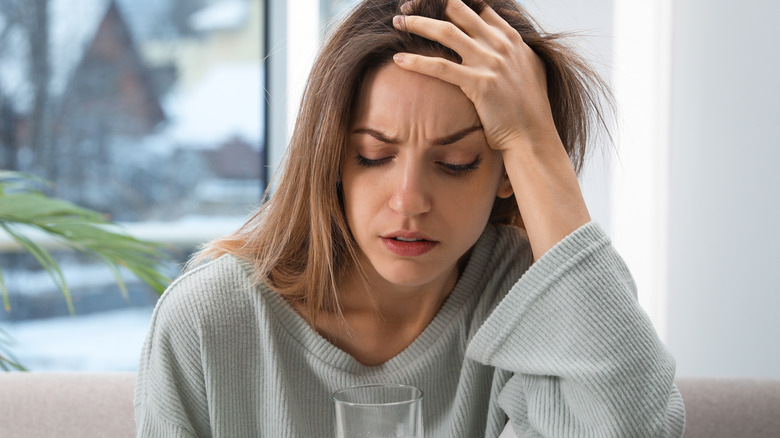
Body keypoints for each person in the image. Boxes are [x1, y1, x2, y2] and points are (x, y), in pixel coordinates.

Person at [134, 0, 686, 436]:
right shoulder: (209, 322)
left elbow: (636, 426)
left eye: (455, 164)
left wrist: (535, 139)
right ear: (332, 162)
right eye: (373, 156)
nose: (409, 201)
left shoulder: (531, 301)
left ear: (505, 176)